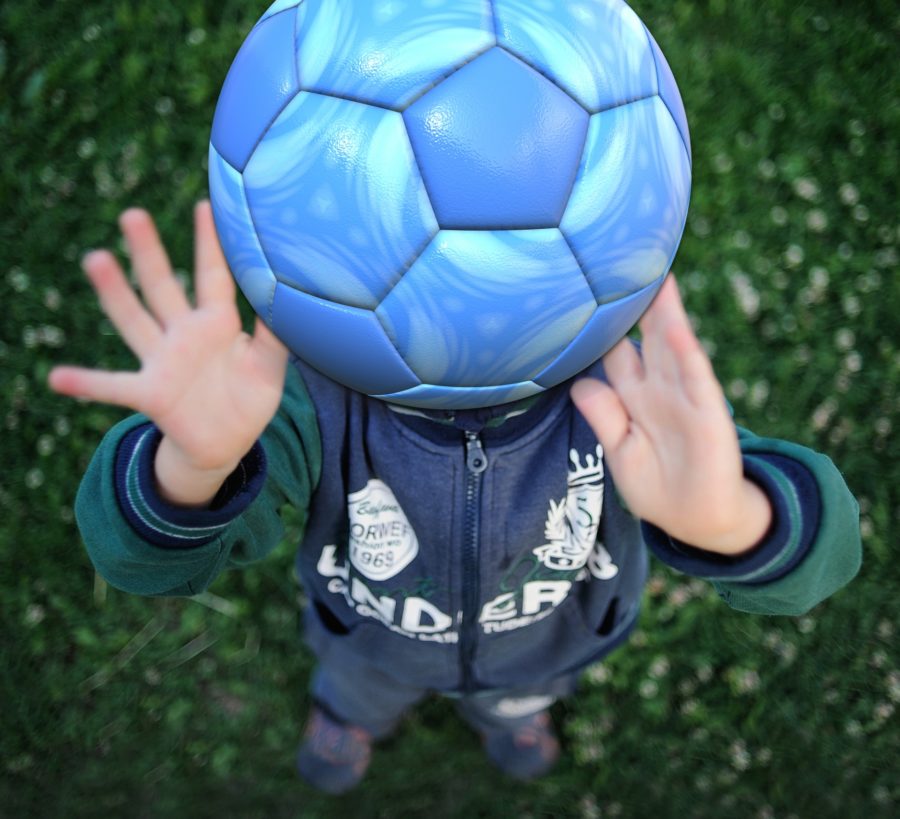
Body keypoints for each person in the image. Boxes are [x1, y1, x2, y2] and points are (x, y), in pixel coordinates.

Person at [49, 202, 861, 794]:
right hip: (369, 641)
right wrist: (191, 463)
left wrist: (731, 519)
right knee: (360, 687)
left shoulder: (627, 404)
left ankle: (511, 718)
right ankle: (349, 716)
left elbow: (819, 559)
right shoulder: (309, 397)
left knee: (516, 702)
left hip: (546, 647)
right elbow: (141, 561)